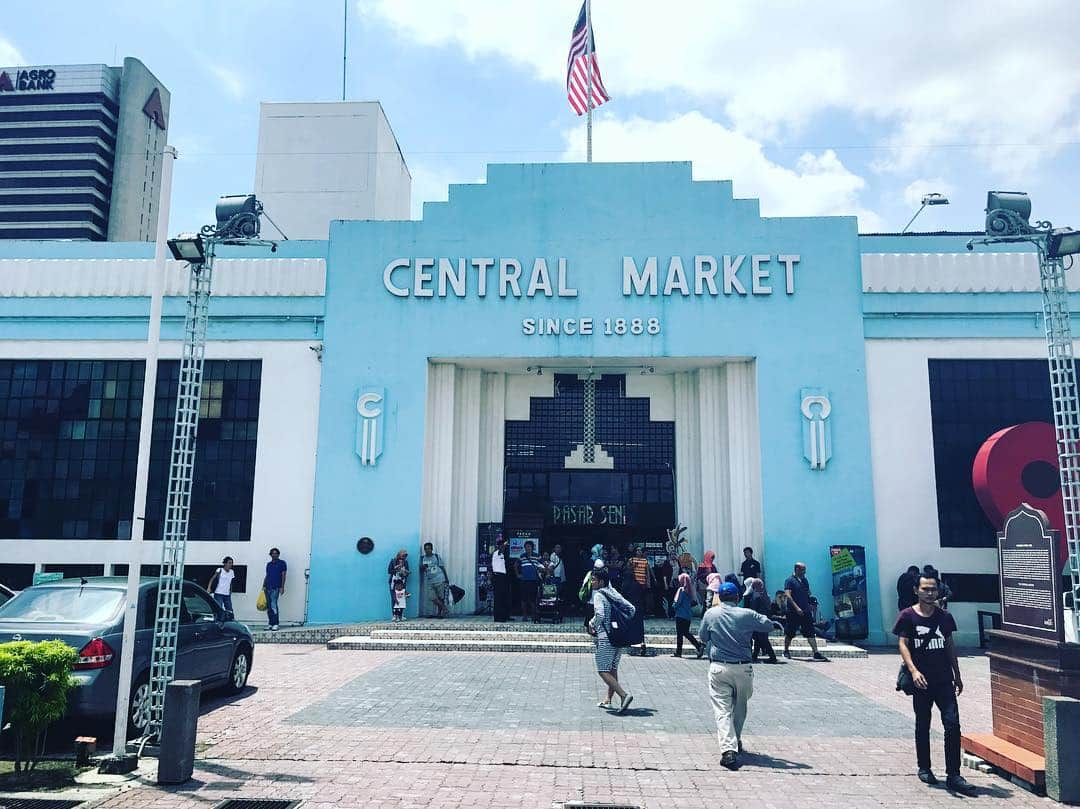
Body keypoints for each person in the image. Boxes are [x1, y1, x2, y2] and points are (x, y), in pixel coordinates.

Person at [894, 572, 977, 796]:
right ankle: (925, 767)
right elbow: (903, 644)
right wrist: (913, 670)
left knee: (952, 724)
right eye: (925, 589)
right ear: (916, 590)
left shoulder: (945, 617)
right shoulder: (907, 616)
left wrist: (957, 674)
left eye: (933, 589)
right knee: (923, 723)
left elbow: (949, 644)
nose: (930, 593)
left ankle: (954, 774)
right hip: (921, 680)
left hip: (943, 679)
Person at [699, 581, 780, 768]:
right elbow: (768, 625)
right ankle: (734, 742)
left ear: (719, 596)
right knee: (740, 707)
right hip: (743, 668)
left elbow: (703, 637)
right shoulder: (747, 614)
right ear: (737, 597)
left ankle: (729, 749)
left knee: (722, 710)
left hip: (719, 667)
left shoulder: (711, 614)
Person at [588, 567, 636, 713]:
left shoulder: (598, 595)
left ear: (601, 581)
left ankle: (623, 695)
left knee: (603, 669)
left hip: (605, 638)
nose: (592, 582)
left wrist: (591, 624)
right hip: (618, 637)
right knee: (612, 668)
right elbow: (631, 609)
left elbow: (600, 615)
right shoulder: (613, 592)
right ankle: (608, 700)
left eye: (594, 579)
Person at [783, 562, 828, 661]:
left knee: (810, 632)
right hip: (793, 611)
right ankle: (786, 650)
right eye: (803, 570)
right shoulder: (789, 580)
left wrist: (810, 604)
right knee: (790, 632)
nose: (805, 572)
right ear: (797, 569)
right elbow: (788, 595)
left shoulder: (804, 580)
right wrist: (797, 608)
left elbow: (808, 593)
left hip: (805, 611)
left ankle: (816, 652)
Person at [744, 578, 778, 664]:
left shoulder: (756, 595)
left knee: (762, 639)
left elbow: (754, 609)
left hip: (758, 619)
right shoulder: (764, 594)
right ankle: (755, 655)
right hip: (764, 619)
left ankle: (772, 656)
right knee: (759, 638)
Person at [618, 565, 649, 656]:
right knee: (639, 627)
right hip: (638, 608)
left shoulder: (625, 584)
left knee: (629, 625)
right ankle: (642, 644)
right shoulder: (638, 584)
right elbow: (642, 596)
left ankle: (629, 641)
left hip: (629, 609)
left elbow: (622, 597)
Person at [671, 572, 703, 657]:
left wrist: (673, 607)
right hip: (688, 616)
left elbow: (677, 602)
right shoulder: (691, 590)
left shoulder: (681, 590)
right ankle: (698, 645)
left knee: (680, 634)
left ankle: (679, 652)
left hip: (680, 615)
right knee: (686, 633)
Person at [419, 541, 450, 618]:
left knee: (441, 597)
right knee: (432, 597)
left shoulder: (436, 556)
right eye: (425, 549)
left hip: (440, 579)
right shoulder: (423, 558)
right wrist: (422, 567)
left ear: (432, 549)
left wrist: (446, 578)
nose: (427, 550)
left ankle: (440, 613)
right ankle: (445, 608)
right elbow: (421, 570)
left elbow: (442, 567)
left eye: (429, 548)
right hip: (430, 580)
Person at [517, 540, 543, 621]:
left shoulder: (537, 556)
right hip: (524, 580)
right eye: (526, 547)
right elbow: (515, 565)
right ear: (524, 548)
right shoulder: (521, 556)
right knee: (523, 599)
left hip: (534, 580)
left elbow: (541, 566)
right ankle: (524, 616)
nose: (528, 548)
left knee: (533, 599)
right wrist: (518, 574)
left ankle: (533, 615)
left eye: (529, 547)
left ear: (532, 548)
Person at [263, 547, 287, 631]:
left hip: (276, 587)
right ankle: (270, 623)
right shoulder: (269, 564)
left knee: (273, 605)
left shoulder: (282, 563)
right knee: (269, 606)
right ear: (270, 554)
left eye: (276, 553)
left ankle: (276, 623)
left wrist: (282, 587)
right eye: (273, 553)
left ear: (278, 554)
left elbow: (283, 575)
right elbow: (267, 575)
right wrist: (264, 585)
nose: (274, 555)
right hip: (267, 587)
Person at [627, 546, 654, 616]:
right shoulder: (631, 559)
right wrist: (633, 566)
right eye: (637, 550)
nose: (639, 552)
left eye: (640, 550)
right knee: (635, 598)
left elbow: (647, 572)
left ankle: (643, 612)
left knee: (642, 598)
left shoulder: (645, 560)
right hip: (634, 582)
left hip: (642, 582)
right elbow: (627, 569)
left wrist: (648, 582)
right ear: (635, 552)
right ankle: (635, 612)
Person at [492, 535, 512, 622]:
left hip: (504, 577)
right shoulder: (496, 553)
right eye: (502, 546)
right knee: (498, 597)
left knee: (505, 597)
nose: (504, 547)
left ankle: (504, 616)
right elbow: (501, 549)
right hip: (498, 577)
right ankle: (497, 617)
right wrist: (504, 543)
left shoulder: (504, 554)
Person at [387, 548, 410, 617]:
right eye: (403, 555)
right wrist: (396, 570)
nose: (404, 557)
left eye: (405, 556)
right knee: (394, 598)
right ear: (399, 554)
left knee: (402, 598)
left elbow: (408, 572)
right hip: (394, 582)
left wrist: (404, 572)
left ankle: (401, 614)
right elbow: (389, 571)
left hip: (402, 582)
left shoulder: (405, 562)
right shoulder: (393, 561)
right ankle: (394, 615)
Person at [654, 553, 673, 618]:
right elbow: (664, 575)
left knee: (671, 598)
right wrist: (665, 584)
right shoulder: (666, 564)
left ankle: (670, 613)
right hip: (666, 583)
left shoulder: (677, 562)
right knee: (668, 599)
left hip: (674, 583)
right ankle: (668, 613)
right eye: (671, 555)